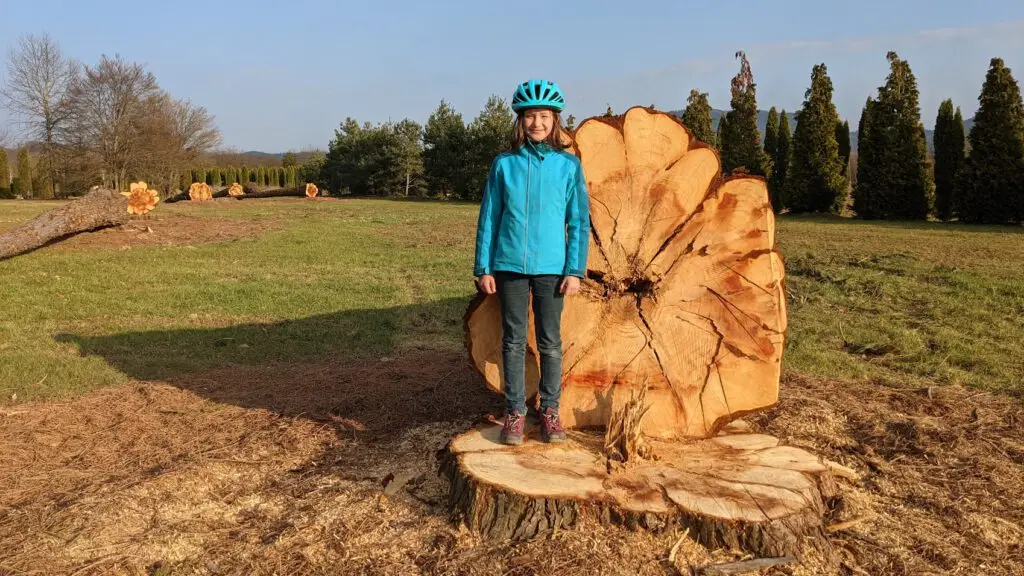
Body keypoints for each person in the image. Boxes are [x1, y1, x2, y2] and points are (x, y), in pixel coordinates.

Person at [473, 79, 590, 445]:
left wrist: (574, 269)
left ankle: (551, 410)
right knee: (512, 340)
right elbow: (489, 217)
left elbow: (578, 221)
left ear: (555, 121)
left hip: (552, 269)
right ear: (520, 121)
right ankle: (514, 412)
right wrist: (483, 267)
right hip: (508, 266)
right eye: (529, 116)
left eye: (544, 116)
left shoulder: (568, 166)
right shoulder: (503, 165)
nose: (537, 123)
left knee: (550, 341)